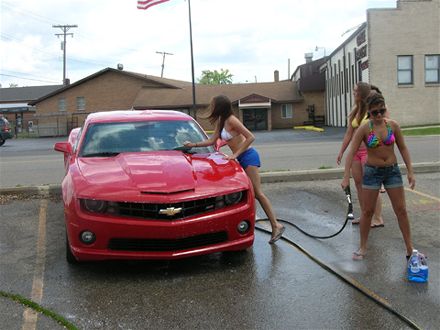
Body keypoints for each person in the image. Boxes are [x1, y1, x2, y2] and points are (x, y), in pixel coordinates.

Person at [184, 95, 285, 243]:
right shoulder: (221, 121)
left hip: (249, 156)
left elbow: (250, 137)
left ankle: (276, 225)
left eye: (213, 104)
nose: (211, 107)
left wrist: (235, 154)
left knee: (257, 193)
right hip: (240, 158)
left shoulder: (232, 120)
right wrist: (193, 145)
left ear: (220, 106)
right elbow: (212, 140)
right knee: (248, 193)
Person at [341, 92, 417, 260]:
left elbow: (403, 148)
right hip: (372, 172)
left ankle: (409, 248)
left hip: (392, 171)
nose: (379, 115)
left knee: (401, 210)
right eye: (374, 112)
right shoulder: (364, 128)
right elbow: (351, 152)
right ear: (369, 112)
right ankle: (362, 247)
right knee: (367, 212)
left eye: (381, 111)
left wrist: (410, 171)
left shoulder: (393, 126)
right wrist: (346, 176)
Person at [337, 82, 384, 228]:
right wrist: (342, 151)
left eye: (356, 90)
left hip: (368, 152)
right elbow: (349, 134)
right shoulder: (355, 111)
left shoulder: (372, 109)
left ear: (362, 93)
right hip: (355, 153)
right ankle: (365, 215)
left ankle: (377, 218)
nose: (353, 92)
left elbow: (380, 128)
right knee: (359, 185)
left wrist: (375, 147)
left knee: (371, 185)